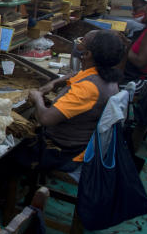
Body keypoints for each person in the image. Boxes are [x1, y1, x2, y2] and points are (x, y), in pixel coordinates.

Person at [26, 29, 127, 172]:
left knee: (10, 154)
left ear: (87, 54)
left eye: (82, 41)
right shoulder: (106, 75)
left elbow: (46, 119)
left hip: (64, 151)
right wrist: (55, 83)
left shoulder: (88, 88)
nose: (77, 43)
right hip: (81, 142)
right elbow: (76, 74)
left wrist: (37, 98)